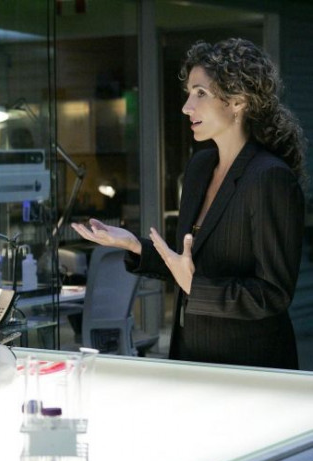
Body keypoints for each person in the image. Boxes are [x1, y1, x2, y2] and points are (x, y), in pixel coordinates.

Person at [71, 38, 306, 369]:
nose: (186, 106)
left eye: (200, 93)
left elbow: (272, 294)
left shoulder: (269, 178)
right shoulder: (199, 168)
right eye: (189, 93)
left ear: (238, 101)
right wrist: (134, 245)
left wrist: (195, 286)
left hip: (249, 366)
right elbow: (187, 266)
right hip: (190, 355)